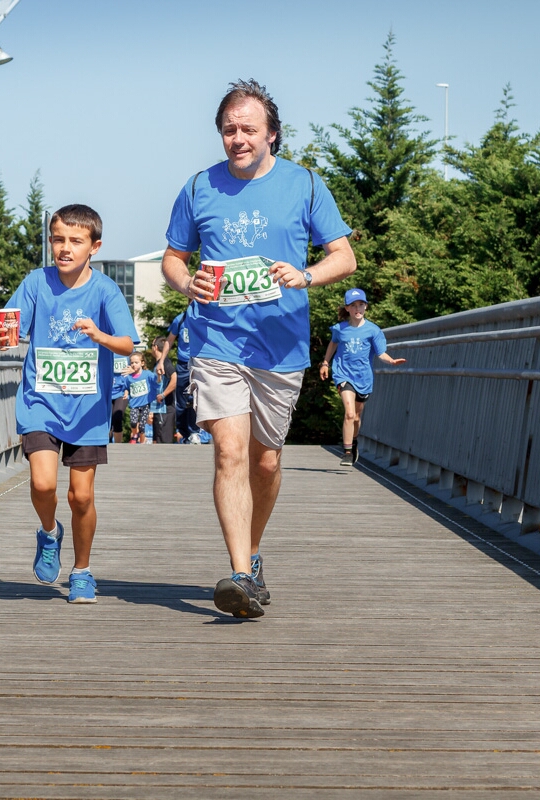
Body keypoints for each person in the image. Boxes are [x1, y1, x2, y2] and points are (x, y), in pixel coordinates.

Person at [161, 79, 357, 618]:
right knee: (229, 452)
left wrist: (306, 275)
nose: (238, 138)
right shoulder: (199, 188)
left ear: (272, 134)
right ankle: (240, 574)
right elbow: (173, 259)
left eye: (248, 129)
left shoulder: (306, 186)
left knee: (266, 463)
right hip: (216, 340)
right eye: (229, 129)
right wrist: (187, 284)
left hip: (281, 347)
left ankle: (253, 554)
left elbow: (344, 257)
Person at [0, 204, 138, 603]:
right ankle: (49, 533)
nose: (65, 248)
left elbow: (127, 343)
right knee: (42, 483)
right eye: (58, 239)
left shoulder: (106, 290)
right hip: (41, 400)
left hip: (88, 408)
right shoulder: (36, 281)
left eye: (75, 241)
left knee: (81, 497)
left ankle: (82, 571)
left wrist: (100, 336)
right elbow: (13, 328)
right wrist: (2, 335)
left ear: (94, 246)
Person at [319, 288, 405, 467]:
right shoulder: (340, 329)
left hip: (363, 378)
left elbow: (381, 353)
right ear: (347, 309)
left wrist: (391, 361)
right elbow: (333, 343)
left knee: (357, 417)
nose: (358, 308)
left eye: (361, 305)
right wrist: (326, 363)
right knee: (349, 413)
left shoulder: (373, 330)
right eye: (353, 305)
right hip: (343, 374)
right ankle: (347, 452)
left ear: (366, 307)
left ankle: (354, 441)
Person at [160, 303, 199, 442]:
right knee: (182, 401)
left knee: (197, 398)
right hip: (183, 364)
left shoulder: (206, 318)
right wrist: (161, 361)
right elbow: (169, 341)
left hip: (200, 363)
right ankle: (183, 432)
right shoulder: (181, 319)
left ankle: (196, 432)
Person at [124, 352, 155, 444]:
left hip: (145, 404)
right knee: (133, 422)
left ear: (142, 363)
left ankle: (142, 443)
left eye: (136, 362)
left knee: (142, 426)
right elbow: (126, 387)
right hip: (134, 404)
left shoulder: (147, 374)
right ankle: (134, 435)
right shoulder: (128, 378)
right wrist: (126, 393)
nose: (133, 364)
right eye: (132, 363)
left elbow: (155, 380)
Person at [151, 336, 177, 443]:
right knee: (158, 442)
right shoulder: (157, 364)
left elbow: (174, 378)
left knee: (164, 443)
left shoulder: (165, 362)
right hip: (158, 409)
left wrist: (163, 394)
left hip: (165, 409)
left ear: (155, 347)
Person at [109, 354, 131, 443]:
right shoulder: (105, 349)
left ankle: (118, 445)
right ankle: (107, 443)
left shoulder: (126, 351)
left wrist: (134, 369)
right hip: (107, 391)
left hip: (122, 391)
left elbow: (138, 364)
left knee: (117, 417)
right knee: (107, 421)